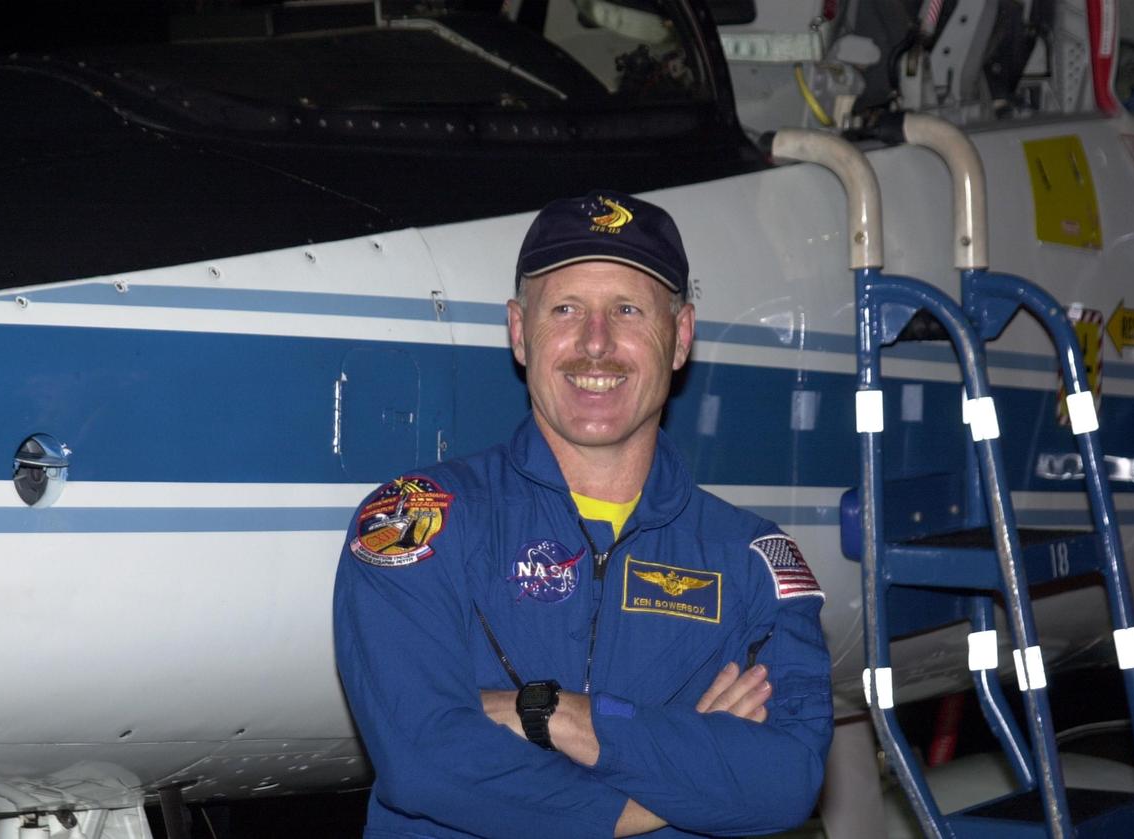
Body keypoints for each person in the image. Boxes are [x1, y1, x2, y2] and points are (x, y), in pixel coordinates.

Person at [333, 189, 833, 838]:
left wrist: (555, 714)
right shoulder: (416, 521)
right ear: (519, 330)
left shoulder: (751, 561)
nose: (595, 344)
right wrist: (680, 782)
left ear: (680, 337)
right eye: (566, 308)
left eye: (628, 309)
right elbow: (426, 757)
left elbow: (786, 778)